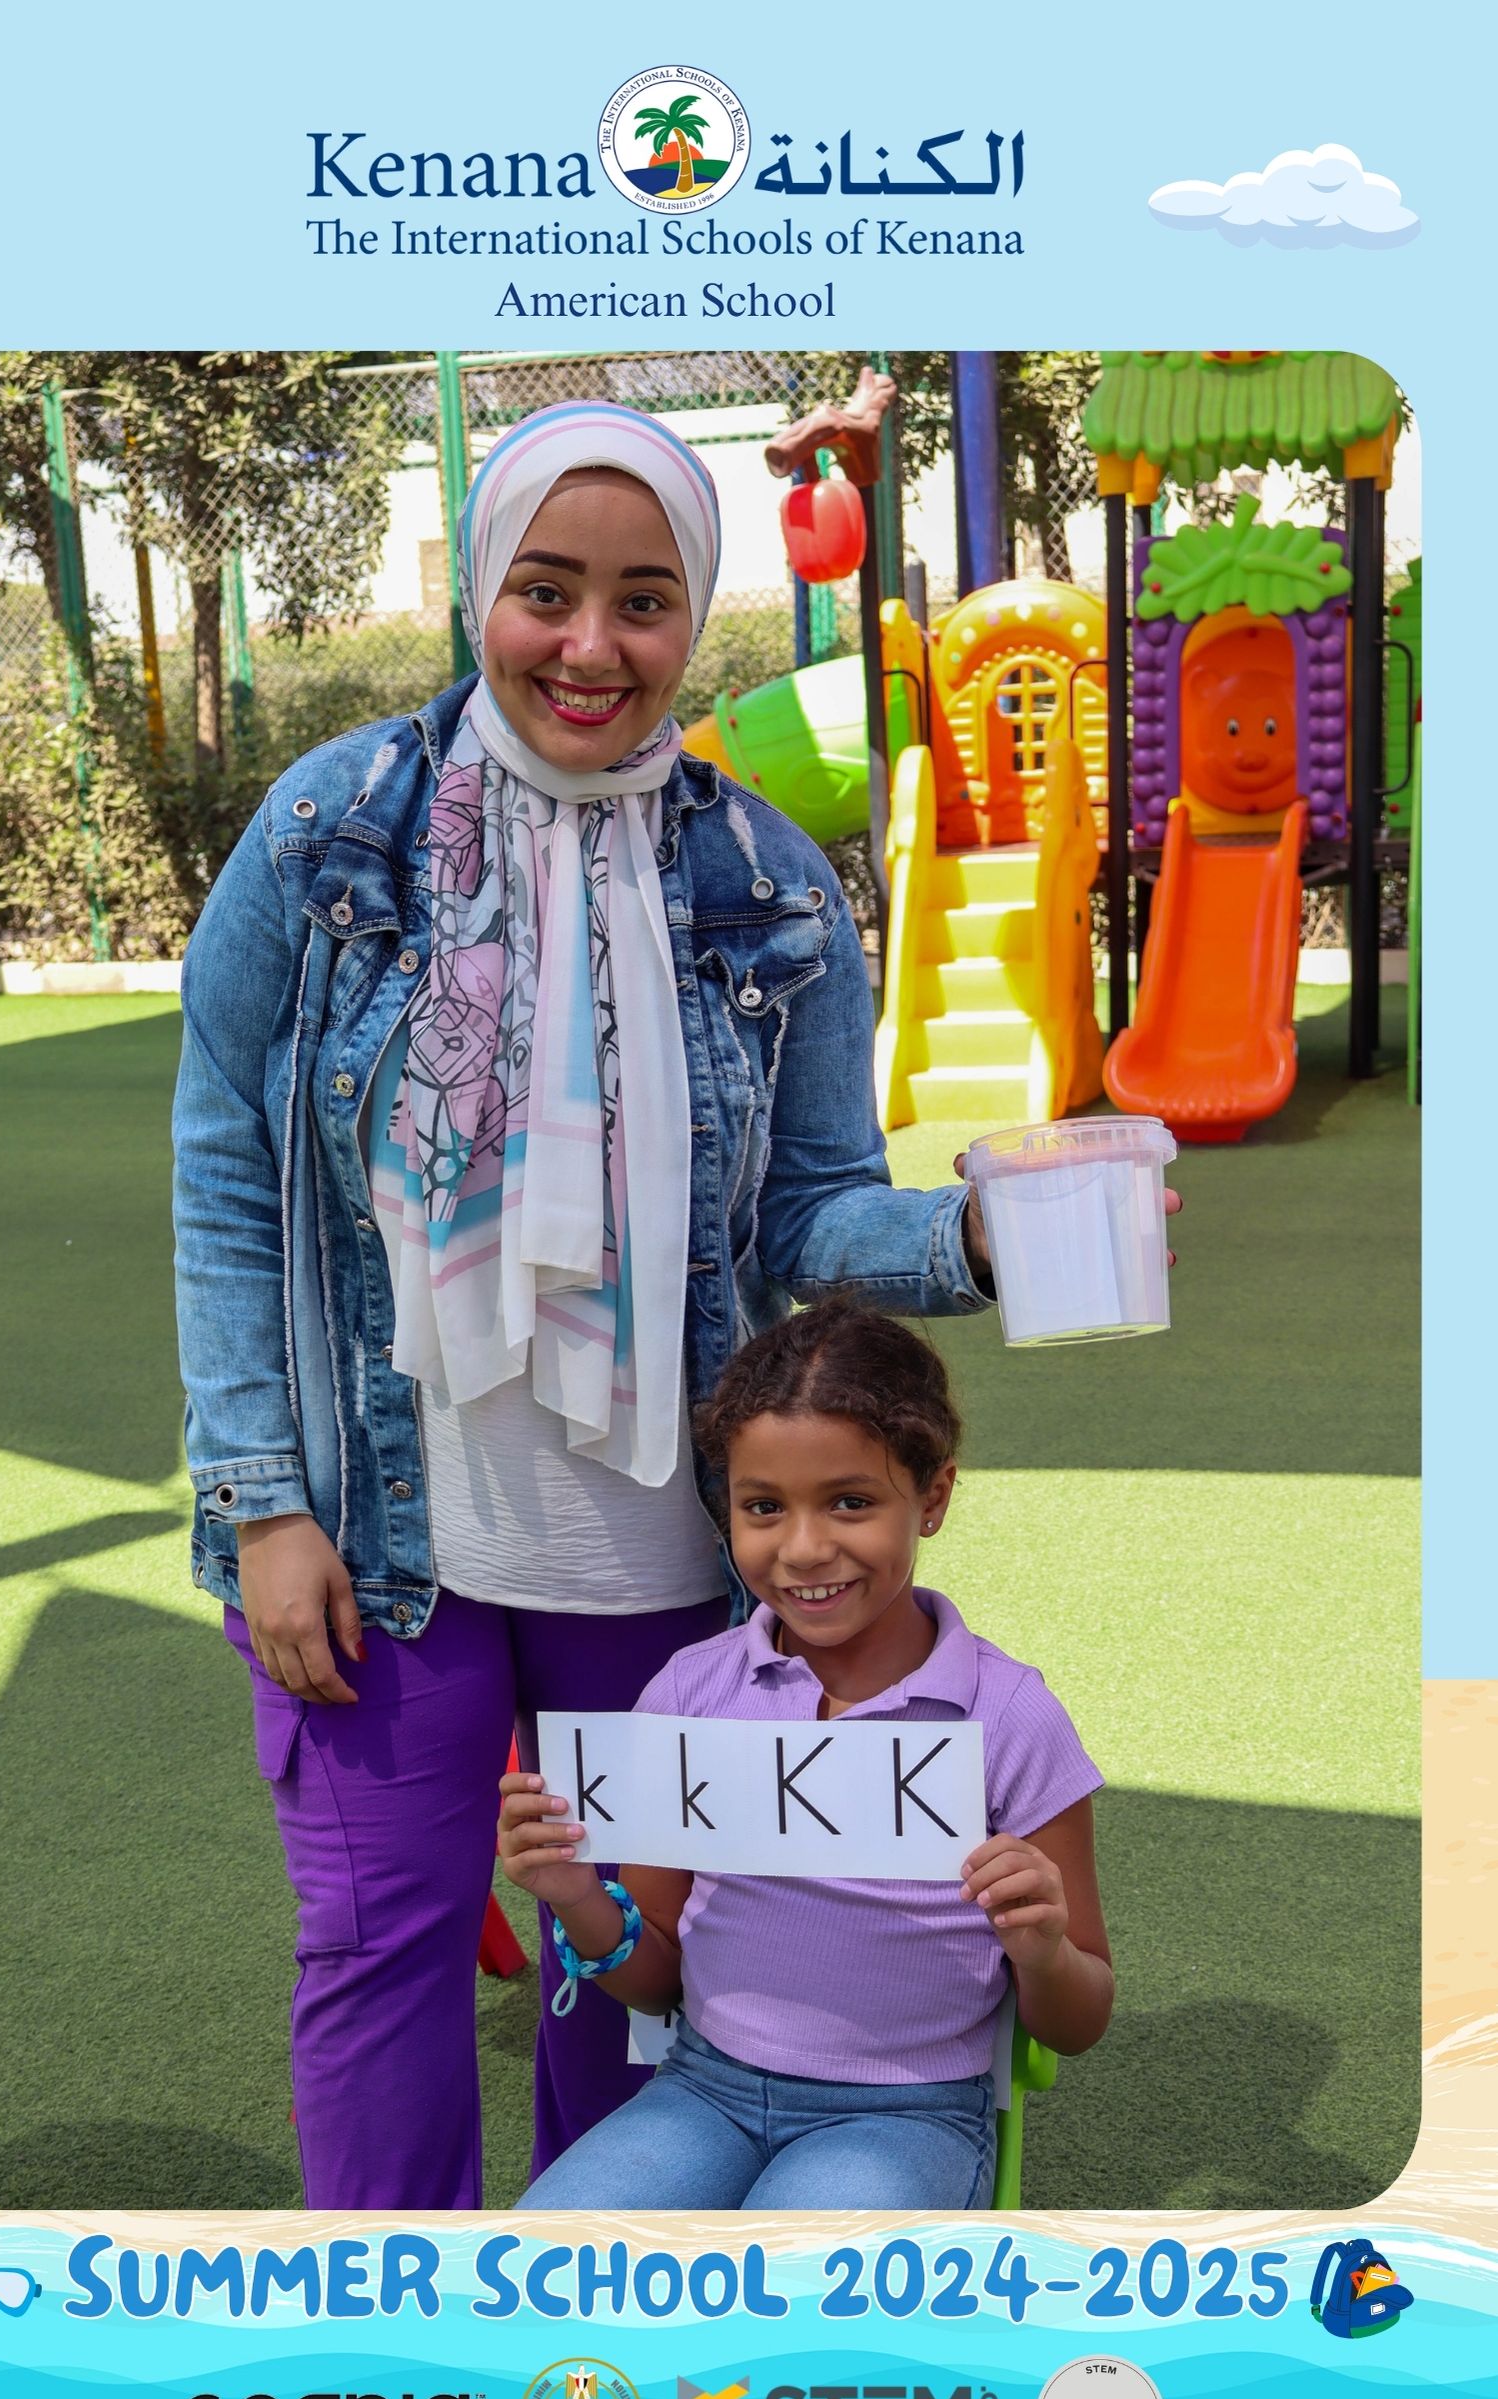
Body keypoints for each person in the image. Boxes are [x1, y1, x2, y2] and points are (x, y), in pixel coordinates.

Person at [172, 400, 1159, 2213]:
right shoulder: (326, 833)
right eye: (545, 590)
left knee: (613, 1979)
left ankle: (602, 2330)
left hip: (653, 1558)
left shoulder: (767, 880)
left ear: (694, 612)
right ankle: (403, 2330)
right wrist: (260, 1501)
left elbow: (808, 1214)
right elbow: (231, 1172)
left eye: (643, 603)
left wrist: (983, 1237)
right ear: (482, 586)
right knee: (379, 1955)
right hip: (377, 1532)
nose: (591, 646)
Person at [503, 1298, 1112, 2210]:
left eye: (851, 1502)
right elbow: (656, 1983)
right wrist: (575, 1894)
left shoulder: (1009, 1716)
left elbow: (1077, 2022)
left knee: (793, 2278)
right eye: (763, 1507)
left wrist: (1042, 1948)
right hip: (702, 2091)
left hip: (907, 2117)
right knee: (543, 2258)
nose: (804, 1549)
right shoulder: (690, 1692)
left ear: (933, 1498)